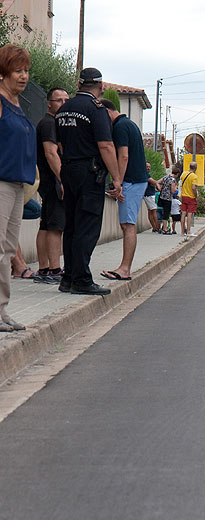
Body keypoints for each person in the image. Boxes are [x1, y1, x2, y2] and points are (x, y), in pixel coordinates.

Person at [55, 67, 123, 296]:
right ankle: (82, 279)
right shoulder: (96, 110)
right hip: (89, 172)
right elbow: (105, 145)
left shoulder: (64, 109)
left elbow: (61, 145)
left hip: (68, 168)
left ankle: (68, 278)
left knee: (72, 226)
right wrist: (116, 178)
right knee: (87, 226)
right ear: (101, 87)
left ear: (78, 84)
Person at [0, 44, 37, 330]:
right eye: (17, 71)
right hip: (1, 183)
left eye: (26, 70)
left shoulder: (16, 103)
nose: (23, 76)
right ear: (4, 73)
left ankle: (2, 312)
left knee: (9, 249)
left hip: (16, 184)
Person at [98, 98, 148, 282]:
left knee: (128, 225)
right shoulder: (130, 124)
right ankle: (124, 267)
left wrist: (117, 181)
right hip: (136, 181)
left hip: (131, 182)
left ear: (107, 112)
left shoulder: (119, 127)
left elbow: (124, 156)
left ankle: (125, 269)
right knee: (126, 224)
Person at [32, 87, 69, 284]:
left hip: (48, 181)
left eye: (66, 100)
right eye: (58, 101)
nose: (63, 104)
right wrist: (62, 179)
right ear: (49, 103)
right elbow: (50, 153)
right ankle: (54, 269)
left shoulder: (51, 123)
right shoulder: (49, 124)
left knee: (46, 224)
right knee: (55, 226)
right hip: (52, 180)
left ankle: (44, 269)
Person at [178, 161, 201, 237]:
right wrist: (196, 195)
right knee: (190, 214)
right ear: (196, 168)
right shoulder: (194, 177)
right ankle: (188, 231)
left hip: (184, 196)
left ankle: (182, 232)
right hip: (191, 197)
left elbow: (181, 183)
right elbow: (193, 187)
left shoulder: (184, 174)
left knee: (183, 214)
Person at [158, 166, 178, 234]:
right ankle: (165, 229)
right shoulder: (173, 180)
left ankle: (162, 227)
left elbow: (157, 182)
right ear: (177, 174)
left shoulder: (165, 177)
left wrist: (160, 189)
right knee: (166, 214)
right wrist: (175, 189)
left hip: (161, 197)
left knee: (162, 212)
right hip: (168, 198)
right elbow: (172, 191)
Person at [141, 162, 161, 232]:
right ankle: (157, 227)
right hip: (149, 194)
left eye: (149, 166)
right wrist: (158, 183)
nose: (148, 168)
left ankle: (154, 227)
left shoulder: (146, 174)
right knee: (154, 210)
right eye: (147, 166)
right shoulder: (145, 174)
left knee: (150, 211)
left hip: (147, 194)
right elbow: (153, 182)